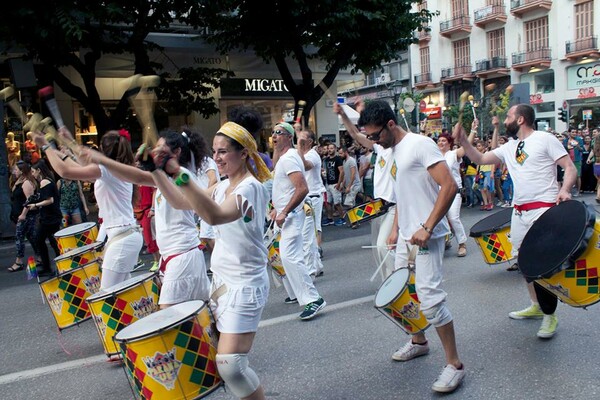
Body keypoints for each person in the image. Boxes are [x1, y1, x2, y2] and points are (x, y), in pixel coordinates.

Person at [150, 121, 271, 400]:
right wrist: (158, 172)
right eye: (215, 152)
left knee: (231, 365)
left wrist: (178, 171)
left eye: (224, 152)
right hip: (220, 283)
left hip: (245, 285)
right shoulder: (222, 186)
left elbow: (215, 215)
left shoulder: (250, 187)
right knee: (221, 361)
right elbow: (182, 202)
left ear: (244, 154)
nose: (217, 158)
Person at [356, 100, 464, 393]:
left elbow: (450, 186)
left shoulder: (420, 145)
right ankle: (419, 341)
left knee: (429, 298)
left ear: (391, 125)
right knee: (406, 294)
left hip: (428, 234)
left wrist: (427, 227)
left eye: (375, 135)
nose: (373, 141)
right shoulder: (392, 151)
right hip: (406, 234)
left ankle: (454, 365)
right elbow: (403, 194)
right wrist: (395, 229)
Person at [454, 104, 576, 340]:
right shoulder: (509, 147)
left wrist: (566, 189)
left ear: (520, 119)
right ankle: (536, 305)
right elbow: (479, 159)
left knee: (541, 264)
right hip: (519, 213)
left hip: (544, 210)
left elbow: (569, 168)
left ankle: (550, 314)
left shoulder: (544, 139)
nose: (504, 119)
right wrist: (464, 142)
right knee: (523, 262)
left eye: (508, 116)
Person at [81, 129, 211, 308]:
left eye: (161, 151)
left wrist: (103, 160)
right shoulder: (163, 177)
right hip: (174, 257)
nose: (155, 153)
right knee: (189, 323)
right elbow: (132, 175)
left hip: (183, 256)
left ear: (177, 153)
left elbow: (178, 201)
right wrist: (103, 161)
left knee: (170, 320)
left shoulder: (184, 176)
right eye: (155, 149)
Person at [32, 128, 143, 289]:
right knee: (124, 297)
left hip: (122, 238)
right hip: (125, 236)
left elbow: (66, 171)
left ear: (103, 149)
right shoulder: (116, 168)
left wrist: (46, 147)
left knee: (106, 296)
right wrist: (66, 146)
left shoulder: (106, 170)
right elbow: (82, 168)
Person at [270, 122, 326, 320]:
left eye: (279, 132)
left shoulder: (290, 158)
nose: (274, 135)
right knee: (289, 257)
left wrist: (284, 211)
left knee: (291, 257)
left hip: (293, 216)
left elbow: (302, 188)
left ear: (289, 136)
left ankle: (312, 299)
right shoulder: (286, 158)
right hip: (287, 216)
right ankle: (303, 295)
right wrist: (276, 209)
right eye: (273, 132)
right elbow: (284, 189)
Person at [335, 101, 396, 281]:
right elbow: (354, 133)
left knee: (384, 246)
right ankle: (387, 283)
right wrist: (343, 116)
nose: (374, 139)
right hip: (378, 205)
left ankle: (399, 284)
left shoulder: (399, 148)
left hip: (394, 206)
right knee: (377, 249)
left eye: (376, 135)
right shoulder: (379, 147)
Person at [437, 121, 477, 257]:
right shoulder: (434, 156)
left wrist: (472, 131)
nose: (441, 142)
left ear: (449, 143)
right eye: (439, 140)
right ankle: (446, 239)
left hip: (455, 192)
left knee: (453, 217)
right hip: (439, 193)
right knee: (439, 219)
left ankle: (462, 244)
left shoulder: (453, 154)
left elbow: (466, 147)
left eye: (444, 140)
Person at [297, 128, 325, 277]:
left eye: (302, 139)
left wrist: (299, 148)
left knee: (307, 234)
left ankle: (310, 271)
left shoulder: (313, 155)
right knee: (309, 233)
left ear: (310, 142)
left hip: (313, 197)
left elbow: (305, 166)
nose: (299, 141)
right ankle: (317, 265)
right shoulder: (303, 153)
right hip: (306, 198)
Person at [27, 159, 62, 276]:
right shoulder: (48, 180)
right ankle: (58, 266)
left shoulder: (44, 182)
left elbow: (49, 200)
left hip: (50, 217)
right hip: (51, 216)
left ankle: (48, 267)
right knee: (53, 241)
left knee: (39, 239)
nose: (32, 174)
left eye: (33, 171)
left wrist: (35, 205)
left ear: (39, 170)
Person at [8, 161, 39, 272]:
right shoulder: (18, 182)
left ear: (22, 171)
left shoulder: (26, 183)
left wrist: (23, 214)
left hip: (26, 216)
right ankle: (40, 256)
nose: (14, 172)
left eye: (16, 170)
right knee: (31, 236)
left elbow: (29, 200)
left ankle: (19, 261)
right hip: (20, 215)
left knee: (19, 237)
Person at [322, 143, 345, 226]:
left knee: (337, 203)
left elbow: (341, 172)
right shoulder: (326, 160)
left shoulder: (338, 159)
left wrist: (339, 184)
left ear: (335, 149)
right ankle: (330, 218)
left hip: (335, 183)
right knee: (327, 202)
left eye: (331, 148)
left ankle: (343, 218)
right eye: (328, 148)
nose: (329, 150)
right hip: (328, 184)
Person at [339, 146, 362, 210]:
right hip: (350, 185)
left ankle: (356, 216)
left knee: (348, 203)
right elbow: (346, 175)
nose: (340, 155)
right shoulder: (344, 162)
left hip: (354, 184)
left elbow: (353, 174)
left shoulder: (351, 160)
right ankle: (356, 217)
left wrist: (349, 186)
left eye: (341, 153)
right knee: (352, 203)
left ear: (345, 152)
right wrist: (342, 184)